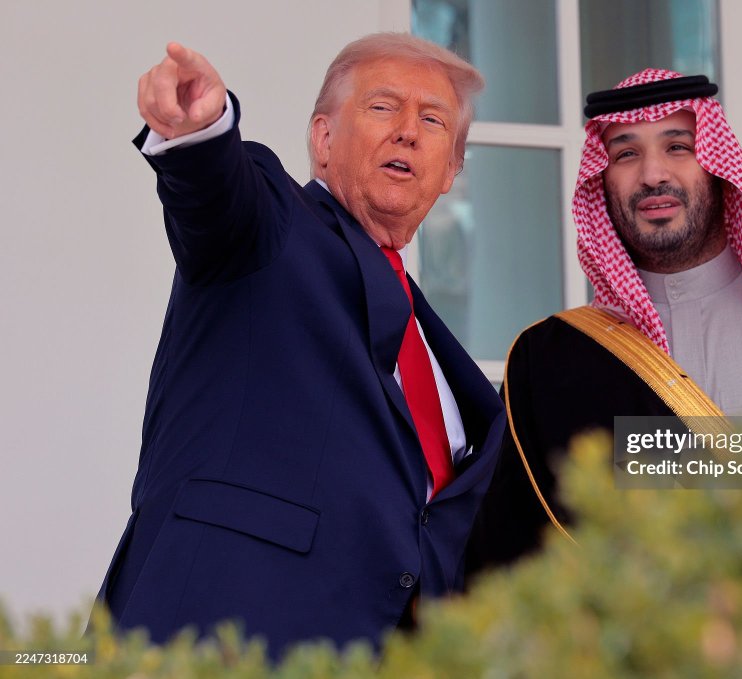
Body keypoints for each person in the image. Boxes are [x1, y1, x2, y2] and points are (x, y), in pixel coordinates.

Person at [95, 35, 506, 658]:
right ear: (323, 139)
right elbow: (216, 194)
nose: (407, 131)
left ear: (450, 170)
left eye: (433, 121)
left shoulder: (436, 351)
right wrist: (200, 133)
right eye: (383, 107)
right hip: (214, 646)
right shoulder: (273, 228)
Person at [466, 69, 742, 569]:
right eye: (626, 154)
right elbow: (515, 551)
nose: (653, 174)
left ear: (718, 165)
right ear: (601, 180)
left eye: (678, 147)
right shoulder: (550, 358)